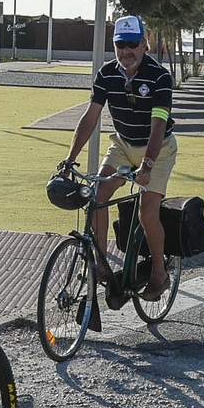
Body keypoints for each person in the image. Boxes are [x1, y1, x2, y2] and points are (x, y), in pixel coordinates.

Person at [60, 15, 178, 301]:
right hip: (123, 144)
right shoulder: (106, 74)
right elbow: (90, 117)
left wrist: (147, 166)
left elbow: (158, 126)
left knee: (147, 212)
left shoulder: (159, 76)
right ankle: (100, 264)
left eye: (132, 44)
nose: (127, 51)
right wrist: (69, 160)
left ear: (144, 44)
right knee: (98, 195)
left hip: (158, 148)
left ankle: (159, 274)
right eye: (120, 45)